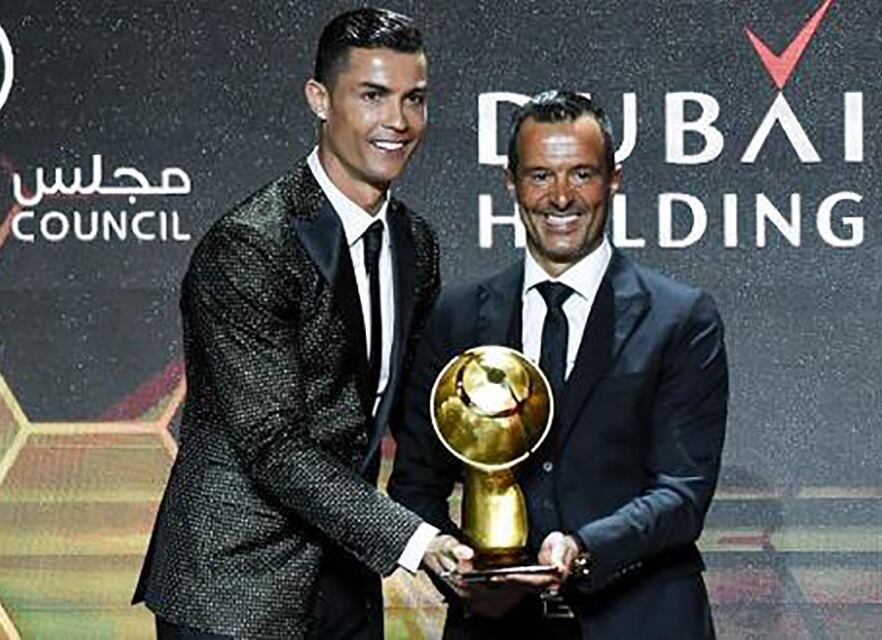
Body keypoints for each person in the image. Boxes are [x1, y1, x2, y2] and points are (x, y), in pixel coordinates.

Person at [133, 8, 471, 639]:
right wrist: (417, 541)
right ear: (320, 99)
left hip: (346, 577)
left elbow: (414, 412)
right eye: (372, 96)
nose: (397, 122)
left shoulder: (415, 242)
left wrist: (491, 530)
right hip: (235, 588)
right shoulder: (249, 245)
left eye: (414, 99)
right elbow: (271, 443)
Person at [389, 91, 728, 639]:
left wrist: (584, 548)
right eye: (541, 176)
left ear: (613, 179)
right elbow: (415, 485)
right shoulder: (455, 317)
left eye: (582, 174)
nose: (561, 197)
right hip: (496, 628)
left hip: (643, 621)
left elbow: (682, 493)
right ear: (511, 183)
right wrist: (455, 566)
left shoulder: (681, 318)